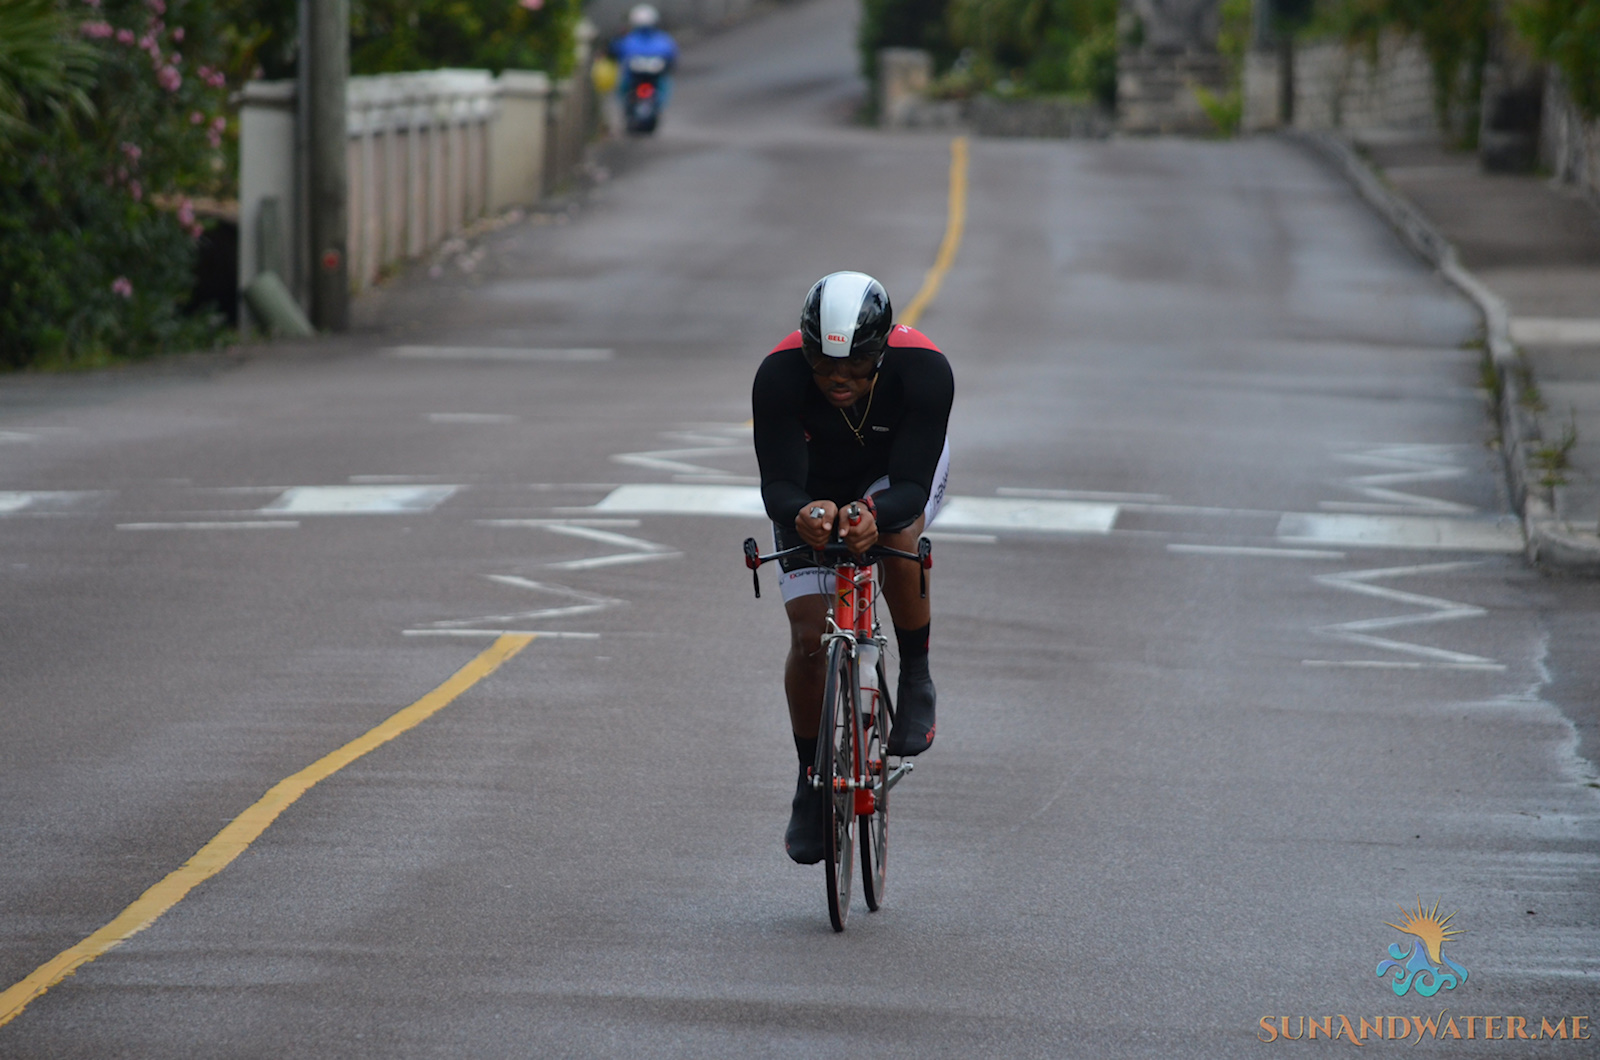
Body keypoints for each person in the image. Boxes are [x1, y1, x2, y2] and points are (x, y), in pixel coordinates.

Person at [751, 272, 954, 864]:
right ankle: (810, 780)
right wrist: (805, 512)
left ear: (883, 350)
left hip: (894, 480)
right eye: (824, 363)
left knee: (895, 530)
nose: (839, 378)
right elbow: (779, 487)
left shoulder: (924, 369)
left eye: (858, 364)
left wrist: (871, 510)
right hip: (812, 486)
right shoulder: (779, 374)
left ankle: (916, 676)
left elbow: (914, 484)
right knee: (810, 638)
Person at [606, 4, 678, 112]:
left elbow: (616, 50)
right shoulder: (662, 39)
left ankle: (628, 105)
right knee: (664, 83)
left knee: (624, 84)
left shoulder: (629, 39)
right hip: (642, 77)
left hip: (643, 77)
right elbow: (672, 54)